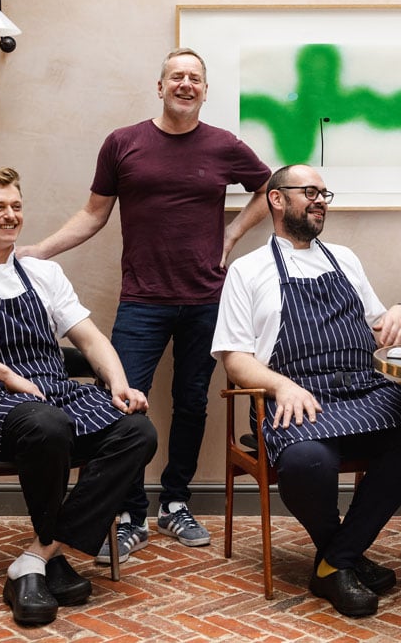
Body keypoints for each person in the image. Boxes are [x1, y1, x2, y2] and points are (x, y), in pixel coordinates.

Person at [20, 48, 272, 561]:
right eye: (176, 76)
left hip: (207, 299)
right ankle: (131, 513)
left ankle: (176, 502)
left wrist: (231, 233)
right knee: (123, 402)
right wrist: (39, 251)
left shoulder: (224, 145)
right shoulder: (123, 143)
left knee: (192, 402)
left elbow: (270, 187)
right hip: (142, 299)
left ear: (205, 90)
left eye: (195, 78)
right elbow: (93, 214)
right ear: (160, 87)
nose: (185, 84)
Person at [0, 168, 157, 627]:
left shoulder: (44, 272)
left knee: (137, 430)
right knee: (46, 424)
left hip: (57, 394)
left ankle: (38, 557)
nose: (10, 215)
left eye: (16, 206)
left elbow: (89, 337)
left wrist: (119, 382)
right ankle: (48, 561)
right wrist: (5, 373)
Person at [212, 164, 401, 618]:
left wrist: (398, 310)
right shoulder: (248, 271)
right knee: (306, 462)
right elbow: (234, 358)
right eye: (310, 192)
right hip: (294, 397)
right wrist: (281, 385)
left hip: (362, 391)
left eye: (324, 194)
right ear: (277, 199)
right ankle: (343, 557)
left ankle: (336, 560)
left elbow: (379, 327)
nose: (320, 201)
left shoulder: (344, 259)